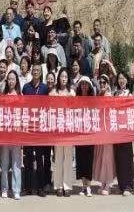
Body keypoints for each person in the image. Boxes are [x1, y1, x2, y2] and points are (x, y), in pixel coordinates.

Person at [22, 64, 50, 197]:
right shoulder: (26, 87)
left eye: (38, 70)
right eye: (34, 70)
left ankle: (40, 188)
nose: (36, 72)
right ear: (31, 72)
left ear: (41, 72)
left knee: (40, 159)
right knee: (28, 159)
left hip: (40, 128)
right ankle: (27, 188)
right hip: (28, 127)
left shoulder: (45, 88)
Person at [51, 68, 75, 197]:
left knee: (68, 158)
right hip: (58, 128)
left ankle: (67, 185)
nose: (64, 79)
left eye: (66, 77)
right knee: (58, 157)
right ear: (58, 78)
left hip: (69, 128)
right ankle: (58, 185)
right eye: (62, 76)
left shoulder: (72, 92)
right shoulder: (54, 92)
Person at [0, 70, 22, 200]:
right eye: (9, 79)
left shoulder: (20, 96)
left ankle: (16, 189)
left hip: (17, 135)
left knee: (16, 165)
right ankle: (4, 189)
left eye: (13, 79)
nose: (11, 81)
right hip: (5, 135)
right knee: (4, 164)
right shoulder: (3, 96)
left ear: (16, 81)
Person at [93, 74, 116, 195]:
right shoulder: (99, 95)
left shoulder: (109, 95)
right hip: (100, 129)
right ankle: (102, 182)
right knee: (100, 156)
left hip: (108, 130)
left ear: (108, 83)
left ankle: (108, 183)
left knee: (107, 157)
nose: (102, 84)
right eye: (100, 82)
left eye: (104, 82)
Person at [113, 72, 134, 196]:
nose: (121, 80)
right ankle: (121, 185)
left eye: (123, 78)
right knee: (118, 157)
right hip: (116, 130)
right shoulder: (115, 94)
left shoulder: (129, 95)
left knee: (127, 157)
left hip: (126, 130)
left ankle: (128, 185)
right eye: (119, 78)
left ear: (127, 80)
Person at [75, 76, 95, 197]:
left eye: (86, 84)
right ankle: (83, 186)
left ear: (89, 86)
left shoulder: (93, 99)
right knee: (81, 159)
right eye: (82, 84)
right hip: (79, 133)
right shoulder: (76, 99)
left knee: (89, 160)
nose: (84, 86)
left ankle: (89, 186)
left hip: (89, 133)